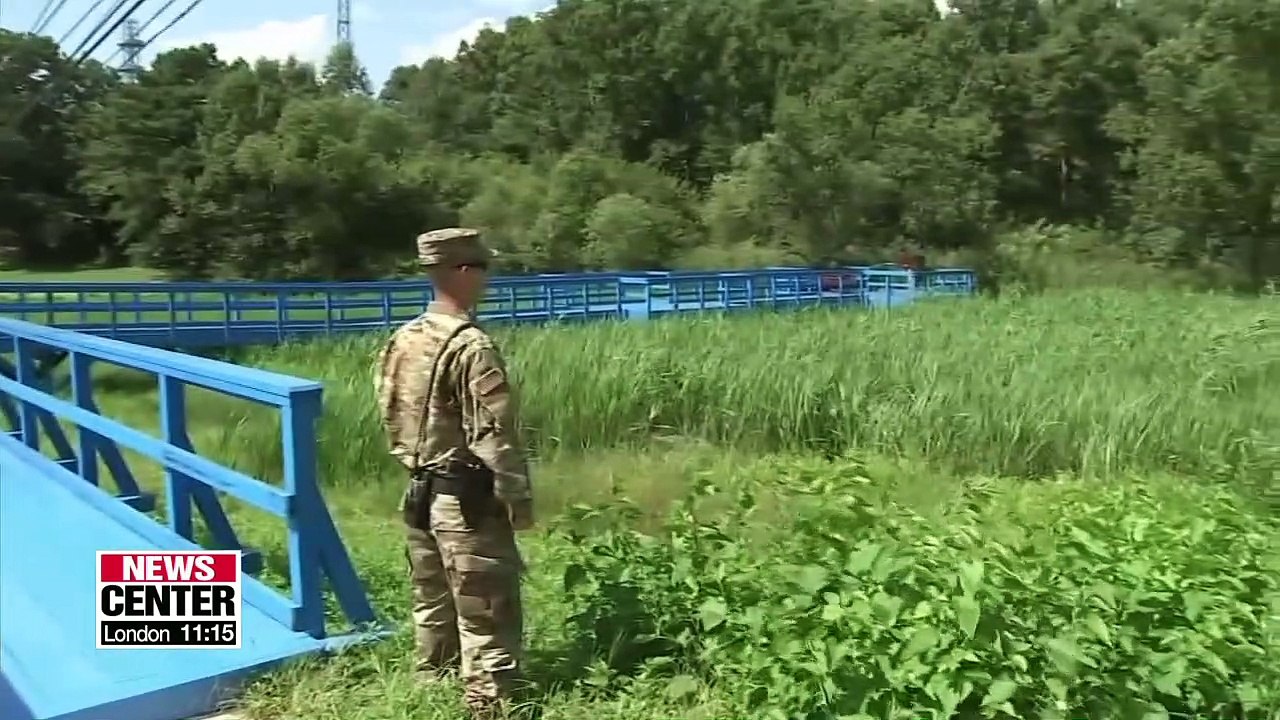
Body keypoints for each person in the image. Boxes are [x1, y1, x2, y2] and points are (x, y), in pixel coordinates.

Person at [375, 227, 535, 719]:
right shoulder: (472, 346)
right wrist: (518, 499)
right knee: (487, 607)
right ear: (464, 272)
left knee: (432, 599)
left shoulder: (403, 338)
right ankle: (491, 706)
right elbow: (493, 434)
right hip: (466, 498)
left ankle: (430, 686)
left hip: (419, 490)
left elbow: (389, 411)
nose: (488, 278)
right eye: (483, 268)